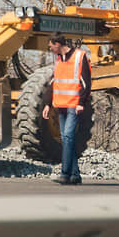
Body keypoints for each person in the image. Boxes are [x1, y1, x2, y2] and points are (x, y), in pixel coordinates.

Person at [41, 32, 92, 185]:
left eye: (51, 46)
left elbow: (86, 82)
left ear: (58, 44)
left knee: (68, 137)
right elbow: (54, 83)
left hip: (73, 105)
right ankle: (75, 175)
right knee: (66, 140)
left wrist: (81, 102)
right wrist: (47, 104)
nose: (50, 49)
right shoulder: (58, 60)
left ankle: (65, 174)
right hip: (60, 106)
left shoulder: (79, 56)